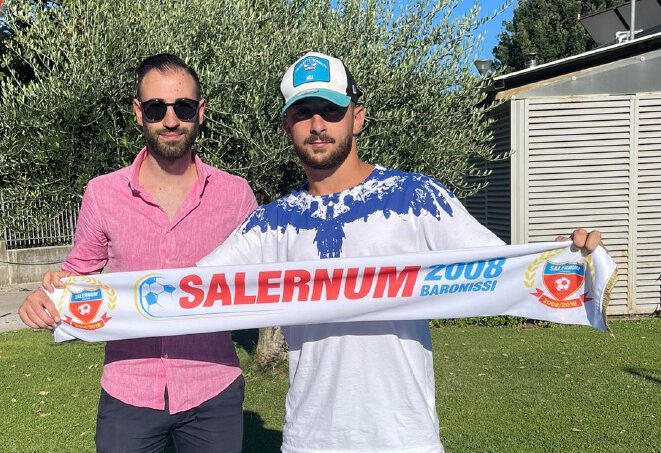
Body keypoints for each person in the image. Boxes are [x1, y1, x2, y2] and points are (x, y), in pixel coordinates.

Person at [198, 52, 602, 453]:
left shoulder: (416, 198)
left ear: (357, 117)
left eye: (331, 110)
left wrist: (560, 261)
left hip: (405, 438)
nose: (318, 125)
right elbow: (189, 290)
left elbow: (501, 271)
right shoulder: (271, 223)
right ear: (288, 125)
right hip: (310, 440)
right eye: (303, 113)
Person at [18, 54, 257, 453]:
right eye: (155, 108)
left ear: (200, 111)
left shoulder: (236, 195)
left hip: (213, 387)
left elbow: (266, 278)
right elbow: (78, 273)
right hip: (128, 389)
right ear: (138, 112)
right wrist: (45, 298)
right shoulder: (102, 193)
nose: (170, 120)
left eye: (183, 107)